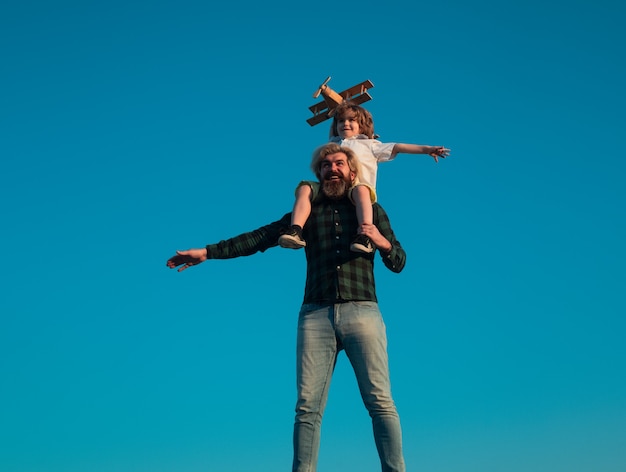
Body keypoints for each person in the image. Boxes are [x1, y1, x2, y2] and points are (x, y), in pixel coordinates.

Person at [167, 143, 407, 472]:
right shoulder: (306, 213)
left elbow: (399, 262)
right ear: (319, 174)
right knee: (307, 408)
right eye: (325, 166)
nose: (331, 169)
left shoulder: (371, 211)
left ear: (352, 172)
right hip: (315, 315)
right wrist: (207, 252)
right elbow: (259, 237)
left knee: (380, 401)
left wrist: (382, 243)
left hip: (362, 311)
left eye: (338, 163)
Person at [279, 101, 450, 254]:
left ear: (362, 126)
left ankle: (364, 236)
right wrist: (336, 109)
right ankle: (295, 230)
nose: (345, 124)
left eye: (351, 120)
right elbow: (332, 127)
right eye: (341, 121)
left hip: (357, 191)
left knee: (361, 190)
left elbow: (398, 147)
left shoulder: (370, 145)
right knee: (305, 187)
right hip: (331, 189)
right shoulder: (333, 143)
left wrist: (427, 149)